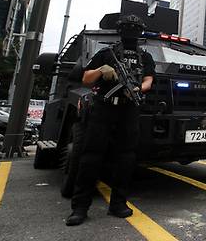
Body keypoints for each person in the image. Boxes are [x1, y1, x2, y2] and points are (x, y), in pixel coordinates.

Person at [66, 15, 155, 226]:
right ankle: (80, 207)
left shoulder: (145, 57)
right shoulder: (106, 53)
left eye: (135, 28)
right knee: (91, 156)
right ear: (120, 30)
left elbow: (149, 80)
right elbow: (86, 78)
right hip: (104, 107)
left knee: (126, 158)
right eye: (127, 28)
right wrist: (101, 70)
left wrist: (137, 88)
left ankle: (118, 203)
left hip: (129, 109)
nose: (131, 32)